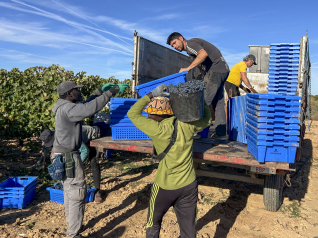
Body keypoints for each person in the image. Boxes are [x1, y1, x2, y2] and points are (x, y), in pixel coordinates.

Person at [127, 84, 212, 238]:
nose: (149, 116)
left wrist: (151, 95)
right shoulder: (186, 125)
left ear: (159, 115)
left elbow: (132, 113)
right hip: (188, 185)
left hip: (165, 186)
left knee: (153, 223)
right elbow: (207, 120)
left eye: (151, 114)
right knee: (188, 231)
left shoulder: (157, 129)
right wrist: (201, 99)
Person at [50, 81, 128, 238]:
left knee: (69, 192)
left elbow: (84, 105)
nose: (79, 92)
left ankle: (73, 226)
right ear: (69, 94)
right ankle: (73, 234)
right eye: (76, 90)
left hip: (60, 155)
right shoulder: (68, 108)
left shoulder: (63, 106)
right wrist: (111, 92)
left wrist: (98, 92)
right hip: (69, 158)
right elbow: (89, 108)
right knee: (77, 193)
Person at [167, 32, 229, 140]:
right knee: (218, 103)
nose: (175, 46)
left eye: (175, 43)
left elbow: (203, 54)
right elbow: (201, 63)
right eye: (172, 46)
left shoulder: (191, 43)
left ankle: (195, 132)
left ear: (181, 38)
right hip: (222, 69)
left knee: (202, 100)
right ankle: (221, 134)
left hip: (215, 70)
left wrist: (188, 68)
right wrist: (202, 75)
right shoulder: (190, 52)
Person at [39, 126, 105, 203]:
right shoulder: (58, 139)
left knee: (93, 162)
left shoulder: (68, 136)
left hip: (92, 135)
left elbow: (85, 151)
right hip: (80, 140)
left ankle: (97, 192)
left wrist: (75, 166)